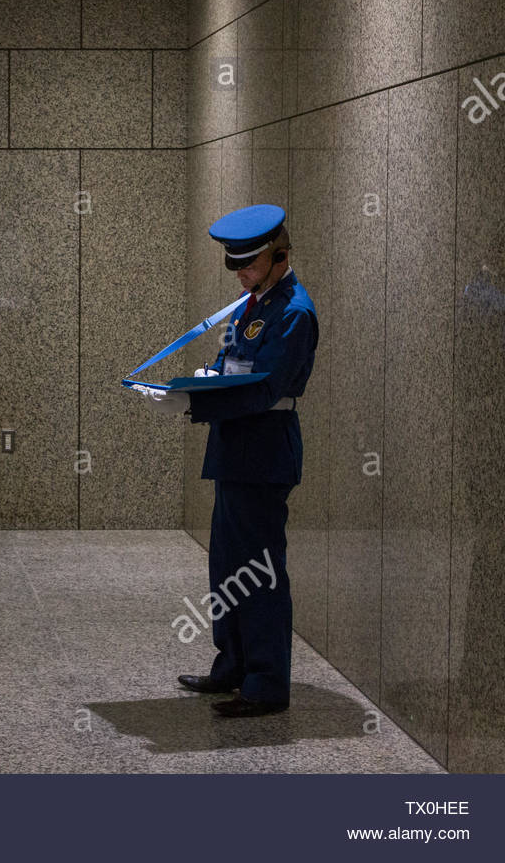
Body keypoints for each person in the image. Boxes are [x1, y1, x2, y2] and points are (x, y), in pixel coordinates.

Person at [141, 204, 318, 717]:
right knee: (226, 566)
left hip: (262, 453)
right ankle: (233, 665)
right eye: (235, 265)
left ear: (279, 255)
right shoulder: (256, 303)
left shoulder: (293, 313)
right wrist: (201, 379)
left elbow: (265, 389)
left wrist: (195, 401)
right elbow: (233, 364)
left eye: (250, 264)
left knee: (258, 571)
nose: (241, 273)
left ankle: (266, 683)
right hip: (235, 450)